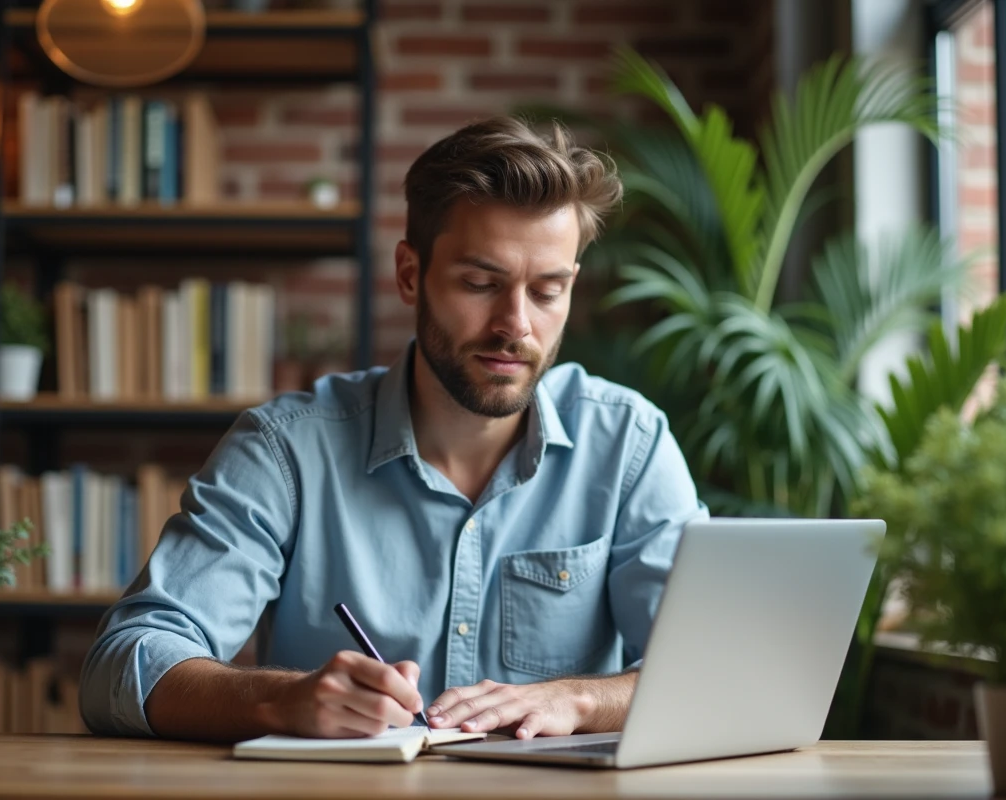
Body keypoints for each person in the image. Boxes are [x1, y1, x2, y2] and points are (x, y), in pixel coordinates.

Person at [79, 116, 708, 741]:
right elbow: (122, 663)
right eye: (480, 283)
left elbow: (715, 665)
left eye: (547, 291)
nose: (516, 325)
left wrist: (580, 699)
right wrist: (280, 701)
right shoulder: (287, 451)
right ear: (410, 274)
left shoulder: (628, 444)